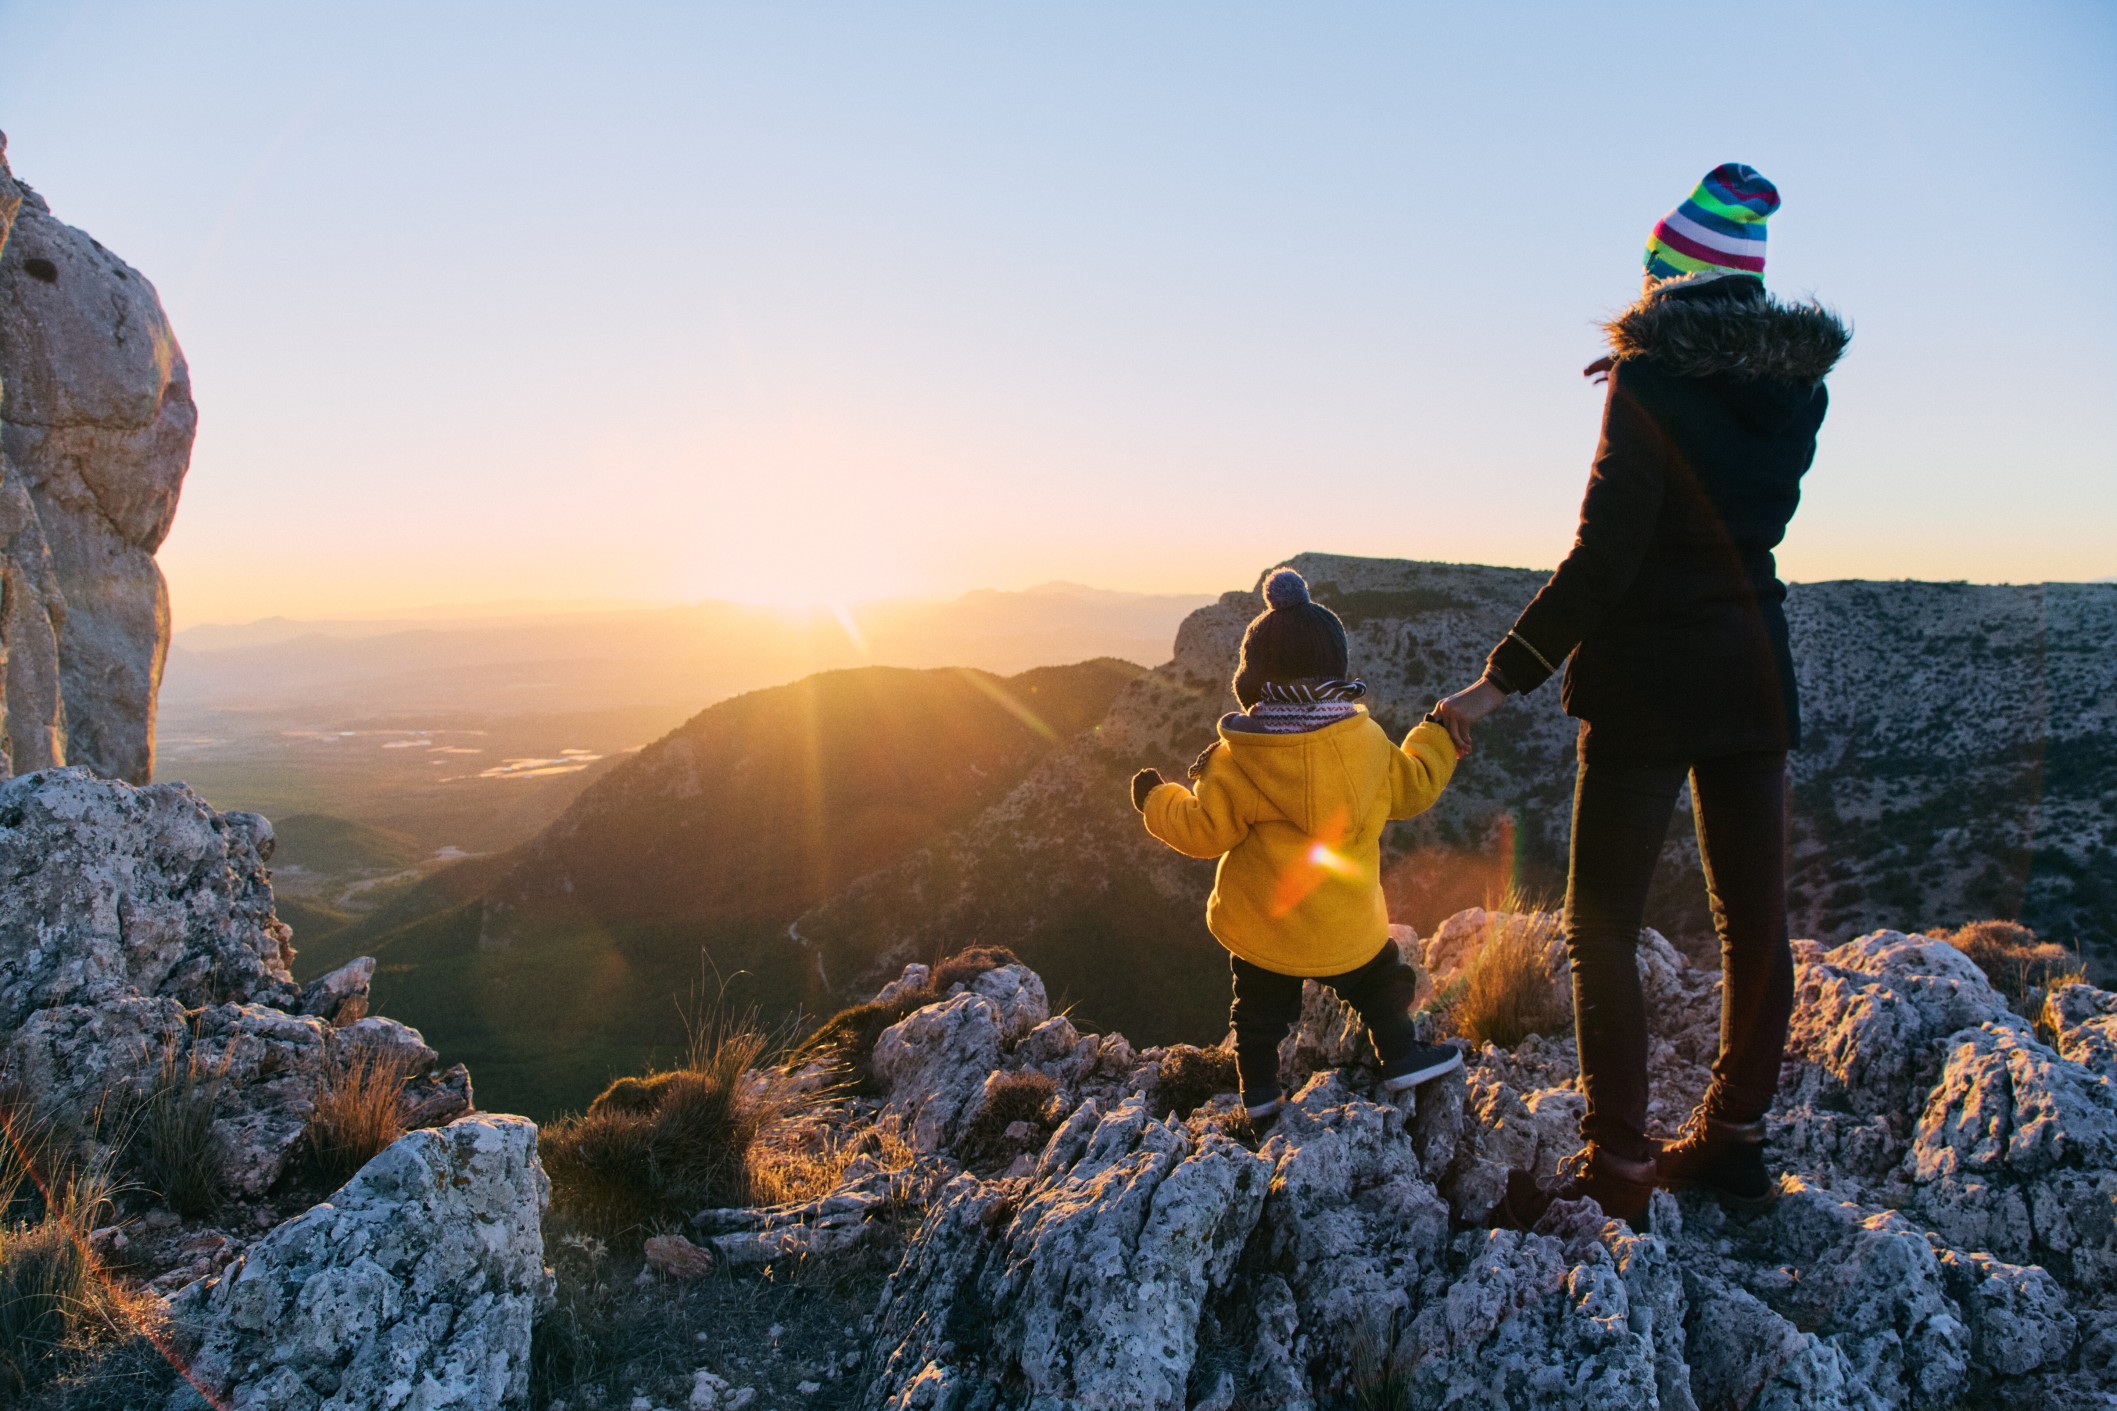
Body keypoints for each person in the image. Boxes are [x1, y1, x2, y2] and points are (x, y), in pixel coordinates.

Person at [1436, 163, 1849, 1226]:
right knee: (1753, 923)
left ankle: (1619, 1166)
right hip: (1752, 672)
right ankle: (1735, 1142)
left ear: (1671, 275)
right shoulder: (1795, 391)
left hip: (1644, 686)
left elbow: (1603, 555)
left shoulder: (1648, 380)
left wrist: (1493, 686)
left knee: (1600, 924)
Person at [1131, 567, 1464, 1132]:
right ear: (1336, 671)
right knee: (1384, 982)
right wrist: (1435, 733)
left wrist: (1155, 798)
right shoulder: (1370, 745)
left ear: (1252, 678)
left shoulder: (1237, 761)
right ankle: (1401, 1057)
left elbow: (1202, 830)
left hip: (1267, 929)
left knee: (1257, 1018)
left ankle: (1260, 1095)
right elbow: (1417, 785)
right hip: (1347, 926)